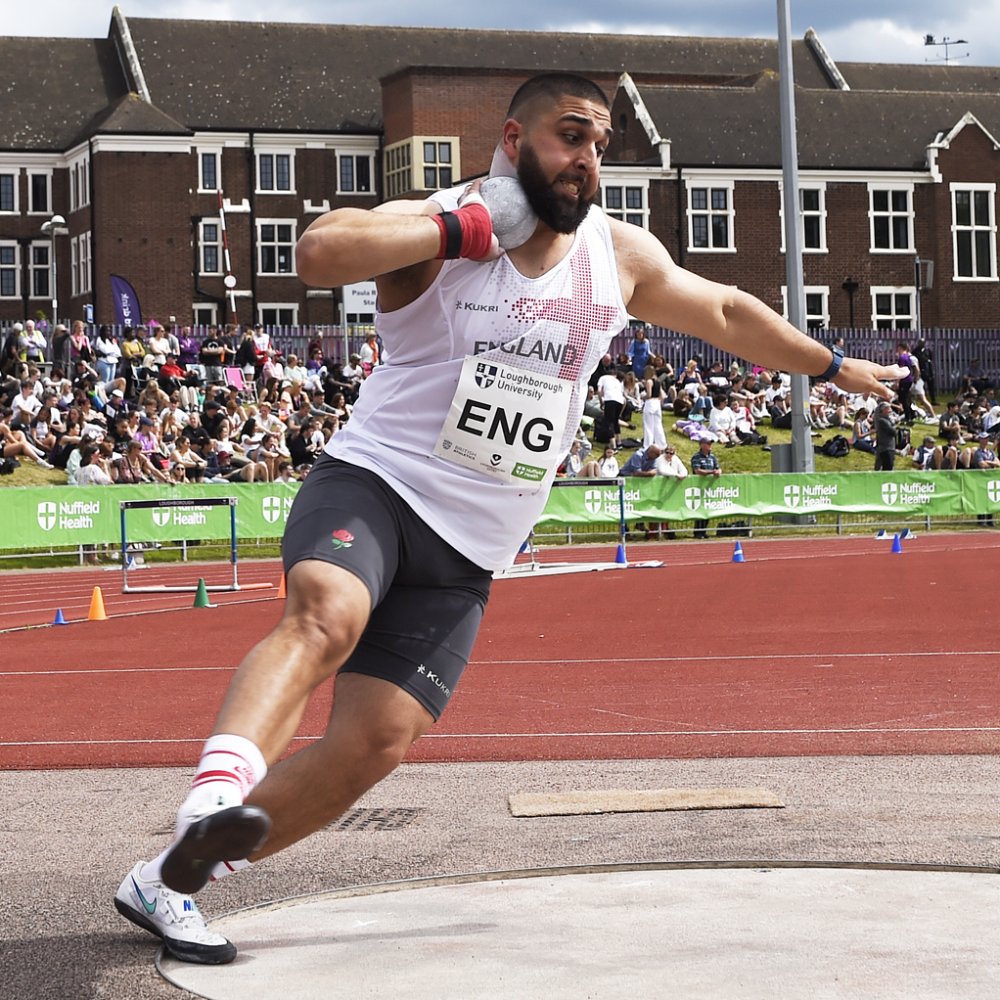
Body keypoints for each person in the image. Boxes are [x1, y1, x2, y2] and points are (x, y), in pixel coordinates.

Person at [113, 72, 905, 965]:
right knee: (327, 613)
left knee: (375, 743)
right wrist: (463, 226)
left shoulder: (618, 252)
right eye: (572, 136)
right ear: (514, 138)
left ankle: (170, 881)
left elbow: (721, 309)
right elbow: (319, 251)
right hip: (377, 484)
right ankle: (216, 793)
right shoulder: (446, 224)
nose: (588, 160)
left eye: (602, 145)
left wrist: (831, 364)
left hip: (472, 544)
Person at [873, 401, 897, 471]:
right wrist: (895, 426)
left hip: (889, 447)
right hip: (886, 448)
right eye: (888, 408)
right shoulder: (882, 420)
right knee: (887, 469)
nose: (890, 410)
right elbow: (893, 431)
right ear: (883, 410)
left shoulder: (887, 420)